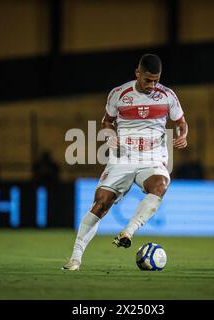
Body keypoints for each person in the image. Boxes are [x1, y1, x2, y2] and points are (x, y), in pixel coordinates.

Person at [63, 54, 188, 270]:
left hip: (153, 157)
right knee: (101, 203)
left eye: (156, 80)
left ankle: (128, 231)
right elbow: (107, 122)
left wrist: (182, 135)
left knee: (160, 185)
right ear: (137, 73)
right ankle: (75, 258)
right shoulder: (119, 94)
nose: (152, 85)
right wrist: (110, 135)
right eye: (148, 80)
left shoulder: (167, 95)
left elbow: (181, 123)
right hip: (123, 156)